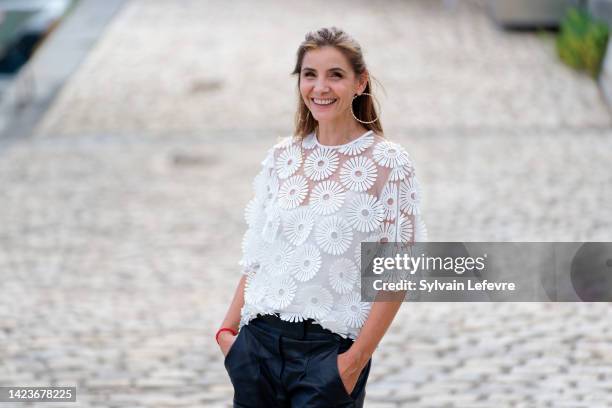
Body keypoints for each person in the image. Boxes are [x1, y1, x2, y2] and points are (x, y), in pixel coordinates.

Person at [216, 26, 426, 408]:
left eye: (335, 75)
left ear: (360, 82)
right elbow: (258, 256)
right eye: (310, 74)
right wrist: (227, 335)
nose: (320, 87)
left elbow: (396, 275)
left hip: (328, 357)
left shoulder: (388, 163)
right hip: (257, 346)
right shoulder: (282, 157)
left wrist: (353, 362)